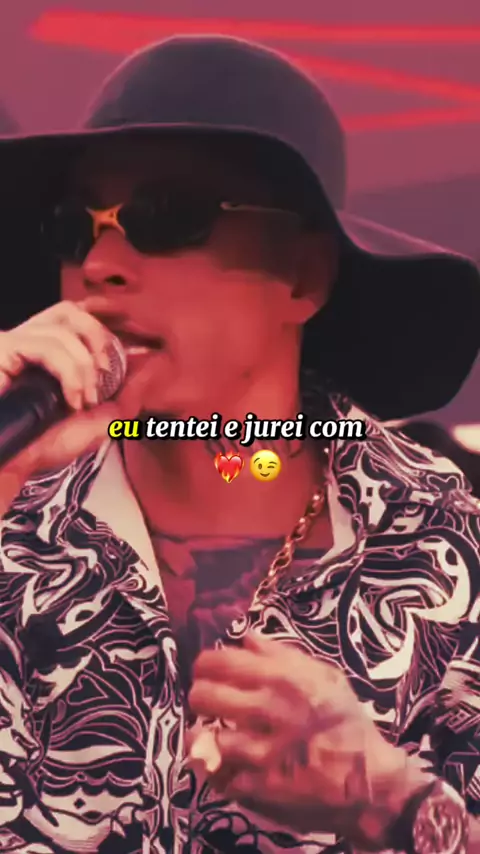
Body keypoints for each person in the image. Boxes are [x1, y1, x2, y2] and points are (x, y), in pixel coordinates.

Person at [0, 35, 478, 854]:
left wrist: (390, 803)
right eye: (73, 229)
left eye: (167, 217)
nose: (101, 263)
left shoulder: (445, 534)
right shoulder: (14, 504)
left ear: (302, 277)